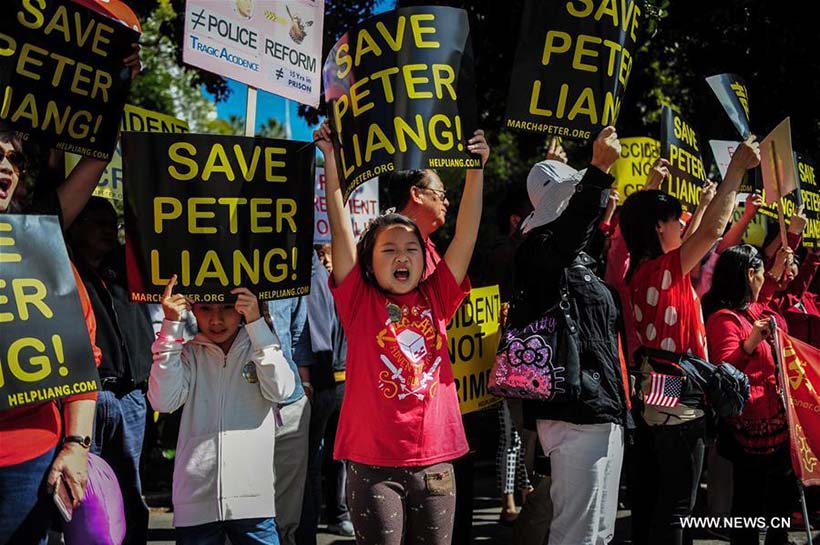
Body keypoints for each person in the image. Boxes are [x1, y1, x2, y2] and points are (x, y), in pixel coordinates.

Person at [316, 120, 489, 544]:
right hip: (372, 467)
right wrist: (332, 160)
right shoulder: (357, 300)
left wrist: (475, 169)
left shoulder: (438, 296)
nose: (402, 256)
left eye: (411, 248)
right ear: (369, 261)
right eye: (388, 249)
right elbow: (340, 228)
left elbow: (465, 235)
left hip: (437, 464)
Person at [618, 135, 760, 545]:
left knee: (655, 497)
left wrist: (702, 205)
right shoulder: (662, 271)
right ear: (657, 227)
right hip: (678, 398)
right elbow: (714, 230)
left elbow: (701, 232)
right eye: (676, 220)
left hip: (658, 390)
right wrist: (735, 170)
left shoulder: (650, 271)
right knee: (678, 504)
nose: (684, 225)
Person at [509, 127, 629, 545]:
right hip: (576, 416)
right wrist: (597, 170)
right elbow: (573, 232)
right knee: (576, 534)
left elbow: (587, 235)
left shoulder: (574, 258)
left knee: (597, 532)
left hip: (601, 411)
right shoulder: (539, 251)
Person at [0, 130, 103, 545]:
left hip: (27, 461)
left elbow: (82, 358)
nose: (6, 166)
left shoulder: (41, 250)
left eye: (13, 159)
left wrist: (77, 445)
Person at [148, 276, 295, 545]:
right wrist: (170, 327)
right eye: (206, 309)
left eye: (227, 307)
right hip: (195, 500)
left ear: (242, 306)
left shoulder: (260, 347)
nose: (216, 320)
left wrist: (256, 324)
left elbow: (282, 390)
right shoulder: (189, 354)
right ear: (192, 308)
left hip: (254, 501)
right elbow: (162, 401)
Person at [67, 197, 155, 545]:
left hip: (131, 395)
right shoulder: (63, 268)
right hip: (86, 396)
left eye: (112, 222)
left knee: (130, 488)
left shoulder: (128, 264)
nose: (109, 229)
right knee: (85, 492)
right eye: (97, 221)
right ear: (75, 225)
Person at [702, 245, 797, 545]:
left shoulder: (754, 309)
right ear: (748, 274)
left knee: (780, 509)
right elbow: (723, 368)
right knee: (748, 510)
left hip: (778, 428)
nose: (764, 282)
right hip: (748, 435)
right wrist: (750, 344)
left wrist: (783, 257)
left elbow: (767, 291)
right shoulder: (724, 320)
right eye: (759, 275)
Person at [296, 248, 353, 544]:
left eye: (333, 253)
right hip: (326, 380)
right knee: (316, 457)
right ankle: (323, 518)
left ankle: (335, 514)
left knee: (333, 455)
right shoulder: (320, 280)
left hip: (336, 381)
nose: (330, 260)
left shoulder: (338, 282)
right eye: (324, 253)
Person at [268, 295, 313, 545]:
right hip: (239, 402)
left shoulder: (286, 266)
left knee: (286, 512)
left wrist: (304, 384)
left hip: (290, 403)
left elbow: (298, 332)